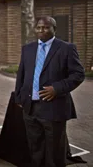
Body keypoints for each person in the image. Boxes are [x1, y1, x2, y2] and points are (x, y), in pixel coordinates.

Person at [15, 16, 85, 167]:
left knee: (55, 151)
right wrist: (19, 97)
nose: (42, 30)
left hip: (54, 107)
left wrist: (57, 88)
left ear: (54, 29)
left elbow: (78, 74)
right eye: (39, 27)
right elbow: (21, 74)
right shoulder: (28, 49)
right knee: (35, 148)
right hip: (30, 108)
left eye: (46, 27)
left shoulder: (66, 48)